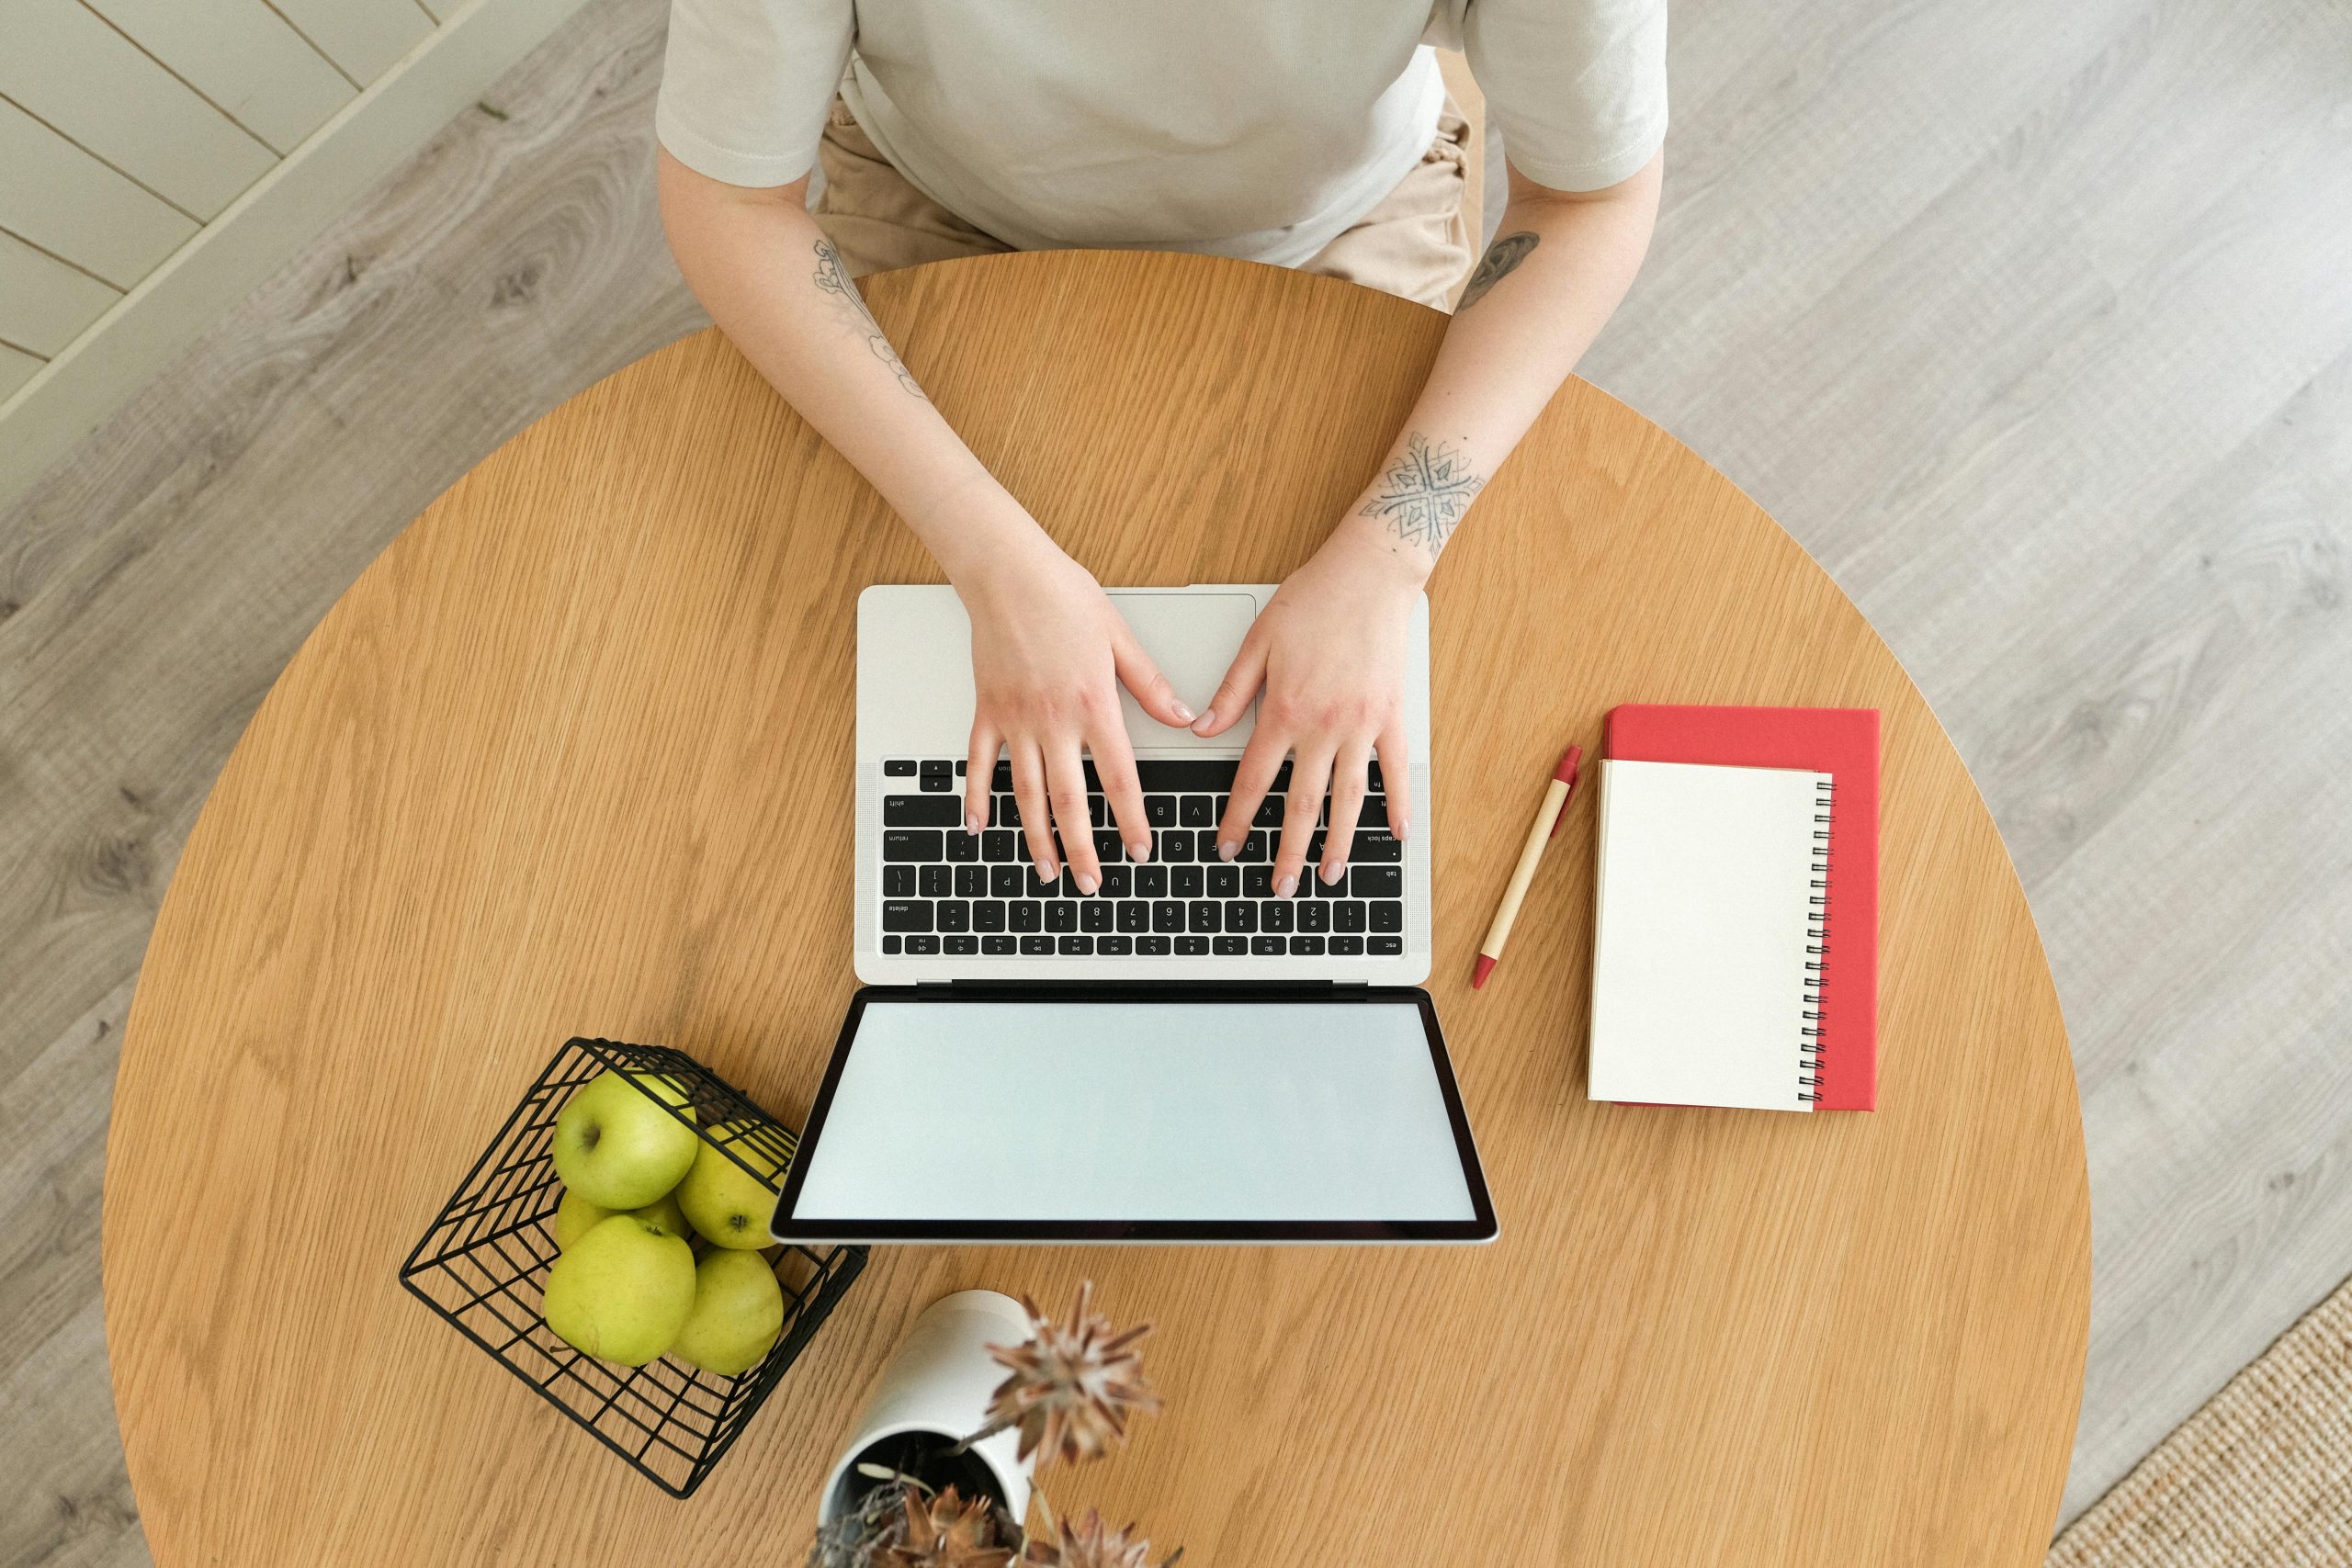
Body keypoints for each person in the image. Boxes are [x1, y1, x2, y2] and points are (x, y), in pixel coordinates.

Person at [654, 1, 1665, 899]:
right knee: (798, 757)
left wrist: (1388, 557)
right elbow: (732, 203)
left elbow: (1586, 203)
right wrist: (988, 553)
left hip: (1336, 218)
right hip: (944, 203)